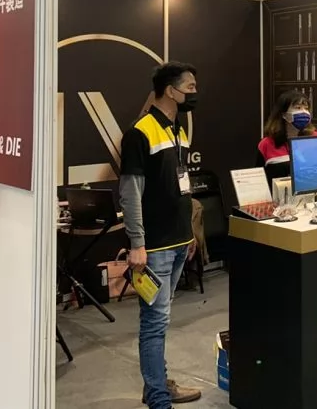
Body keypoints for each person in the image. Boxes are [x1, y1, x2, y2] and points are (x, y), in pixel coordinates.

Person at [119, 62, 201, 408]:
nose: (195, 93)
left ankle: (157, 383)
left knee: (161, 319)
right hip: (155, 248)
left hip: (179, 240)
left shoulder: (177, 130)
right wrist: (137, 243)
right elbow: (130, 193)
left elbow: (181, 187)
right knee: (154, 322)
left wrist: (190, 233)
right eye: (190, 87)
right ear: (170, 90)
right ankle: (158, 398)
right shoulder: (140, 132)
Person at [257, 90, 317, 186]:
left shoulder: (316, 139)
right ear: (284, 114)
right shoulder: (266, 144)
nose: (304, 112)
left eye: (306, 108)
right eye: (298, 107)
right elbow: (258, 180)